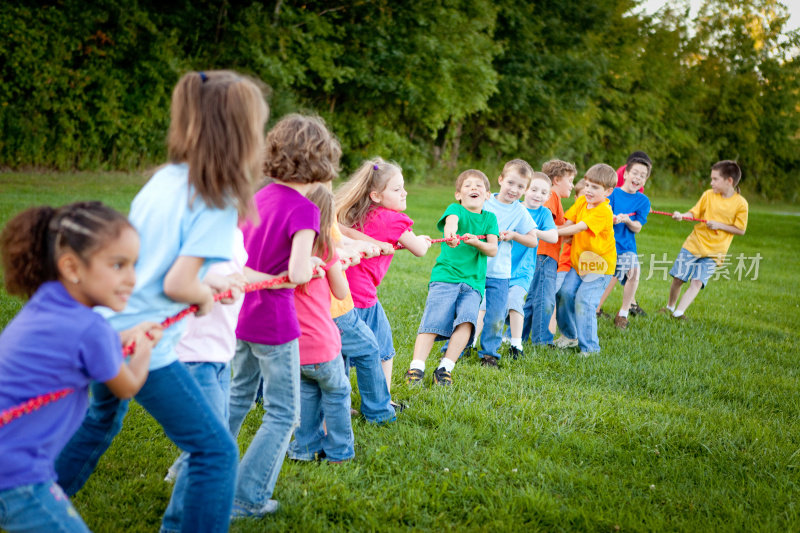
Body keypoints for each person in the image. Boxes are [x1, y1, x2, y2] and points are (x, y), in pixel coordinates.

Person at [55, 70, 268, 533]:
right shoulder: (217, 197)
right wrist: (207, 296)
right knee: (214, 450)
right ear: (241, 134)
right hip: (144, 340)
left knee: (101, 420)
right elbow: (178, 283)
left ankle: (32, 501)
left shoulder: (165, 179)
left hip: (107, 322)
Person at [0, 202, 160, 533]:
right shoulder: (91, 329)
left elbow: (80, 347)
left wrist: (125, 336)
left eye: (134, 265)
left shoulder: (47, 301)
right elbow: (127, 386)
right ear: (72, 267)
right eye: (118, 265)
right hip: (19, 474)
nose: (132, 278)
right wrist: (144, 349)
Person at [228, 114, 340, 518]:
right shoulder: (305, 210)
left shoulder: (257, 197)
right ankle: (246, 498)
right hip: (275, 324)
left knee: (238, 397)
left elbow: (242, 257)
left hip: (242, 317)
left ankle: (188, 469)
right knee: (282, 412)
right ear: (320, 161)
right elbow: (295, 273)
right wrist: (314, 263)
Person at [161, 228, 250, 498]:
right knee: (212, 443)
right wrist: (213, 283)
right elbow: (170, 273)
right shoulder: (195, 226)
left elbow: (240, 273)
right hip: (193, 351)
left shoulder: (233, 230)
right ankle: (178, 524)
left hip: (220, 351)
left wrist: (239, 280)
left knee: (214, 435)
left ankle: (181, 472)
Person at [335, 157, 432, 400]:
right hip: (363, 296)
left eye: (403, 187)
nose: (404, 192)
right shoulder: (394, 219)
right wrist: (424, 240)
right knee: (384, 348)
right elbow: (418, 249)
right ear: (376, 196)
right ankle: (382, 401)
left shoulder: (357, 214)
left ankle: (341, 405)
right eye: (397, 189)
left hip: (340, 292)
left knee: (342, 353)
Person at [404, 169, 499, 386]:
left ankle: (445, 368)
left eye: (479, 186)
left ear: (487, 195)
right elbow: (451, 224)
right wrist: (451, 237)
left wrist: (476, 242)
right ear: (458, 194)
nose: (473, 188)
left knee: (467, 322)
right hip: (446, 277)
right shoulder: (455, 209)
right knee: (434, 320)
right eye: (468, 185)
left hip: (474, 282)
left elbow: (492, 249)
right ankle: (416, 367)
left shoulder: (490, 218)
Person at [288, 185, 355, 462]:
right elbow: (341, 292)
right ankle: (340, 451)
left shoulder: (288, 252)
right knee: (337, 395)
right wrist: (337, 265)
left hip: (296, 347)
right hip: (324, 345)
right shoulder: (325, 247)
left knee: (307, 397)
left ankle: (303, 450)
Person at [471, 159, 538, 367]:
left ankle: (489, 353)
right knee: (469, 309)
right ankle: (462, 345)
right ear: (500, 180)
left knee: (496, 314)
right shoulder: (484, 201)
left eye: (520, 186)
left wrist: (514, 236)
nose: (514, 189)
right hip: (475, 266)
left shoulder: (520, 212)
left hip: (499, 271)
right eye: (510, 183)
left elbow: (533, 240)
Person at [660, 160, 748, 319]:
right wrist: (683, 216)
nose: (711, 182)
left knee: (697, 282)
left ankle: (679, 313)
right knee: (678, 279)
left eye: (715, 179)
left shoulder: (741, 204)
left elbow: (740, 229)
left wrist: (720, 225)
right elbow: (694, 213)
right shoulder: (708, 195)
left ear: (729, 181)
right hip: (694, 244)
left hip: (715, 252)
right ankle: (670, 306)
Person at [330, 228, 398, 424]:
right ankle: (379, 414)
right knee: (368, 349)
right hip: (336, 308)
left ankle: (338, 407)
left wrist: (360, 245)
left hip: (324, 308)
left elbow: (338, 236)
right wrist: (343, 256)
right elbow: (327, 244)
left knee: (336, 356)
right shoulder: (316, 203)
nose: (404, 194)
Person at [554, 164, 617, 356]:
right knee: (563, 293)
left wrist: (551, 233)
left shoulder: (603, 210)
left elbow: (578, 228)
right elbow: (568, 223)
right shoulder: (581, 202)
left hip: (599, 266)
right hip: (578, 264)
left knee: (584, 301)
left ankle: (590, 348)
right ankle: (570, 335)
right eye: (587, 185)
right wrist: (554, 230)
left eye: (595, 187)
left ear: (608, 191)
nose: (588, 190)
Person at [521, 159, 577, 346]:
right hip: (544, 255)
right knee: (545, 299)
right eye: (570, 180)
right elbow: (545, 224)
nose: (572, 185)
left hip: (540, 254)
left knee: (532, 298)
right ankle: (541, 341)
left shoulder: (555, 198)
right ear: (556, 180)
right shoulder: (550, 195)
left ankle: (516, 335)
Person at [504, 172, 559, 357]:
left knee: (515, 300)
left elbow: (553, 236)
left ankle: (515, 343)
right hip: (502, 263)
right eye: (534, 189)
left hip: (524, 267)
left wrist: (534, 232)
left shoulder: (543, 213)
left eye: (543, 192)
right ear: (525, 189)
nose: (537, 195)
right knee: (493, 304)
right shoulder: (514, 207)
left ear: (549, 196)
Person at [595, 155, 652, 329]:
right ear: (625, 174)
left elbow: (637, 227)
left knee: (634, 271)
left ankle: (623, 314)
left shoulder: (643, 201)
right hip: (606, 245)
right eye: (635, 173)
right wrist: (614, 218)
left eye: (642, 175)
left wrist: (627, 220)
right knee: (602, 278)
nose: (638, 178)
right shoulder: (612, 193)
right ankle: (594, 309)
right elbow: (603, 216)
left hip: (626, 248)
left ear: (645, 180)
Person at [549, 179, 586, 335]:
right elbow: (566, 232)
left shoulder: (595, 215)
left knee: (572, 298)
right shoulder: (573, 214)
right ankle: (551, 332)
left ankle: (570, 333)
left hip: (584, 267)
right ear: (577, 199)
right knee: (554, 294)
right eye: (583, 197)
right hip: (565, 265)